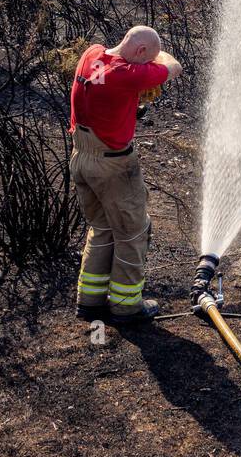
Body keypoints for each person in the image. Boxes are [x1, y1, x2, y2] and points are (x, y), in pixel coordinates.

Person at [69, 26, 182, 322]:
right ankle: (126, 306)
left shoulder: (92, 55)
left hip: (82, 157)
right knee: (132, 232)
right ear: (141, 53)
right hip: (113, 166)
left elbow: (111, 80)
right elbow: (173, 67)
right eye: (146, 59)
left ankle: (90, 301)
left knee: (102, 228)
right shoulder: (127, 74)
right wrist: (152, 66)